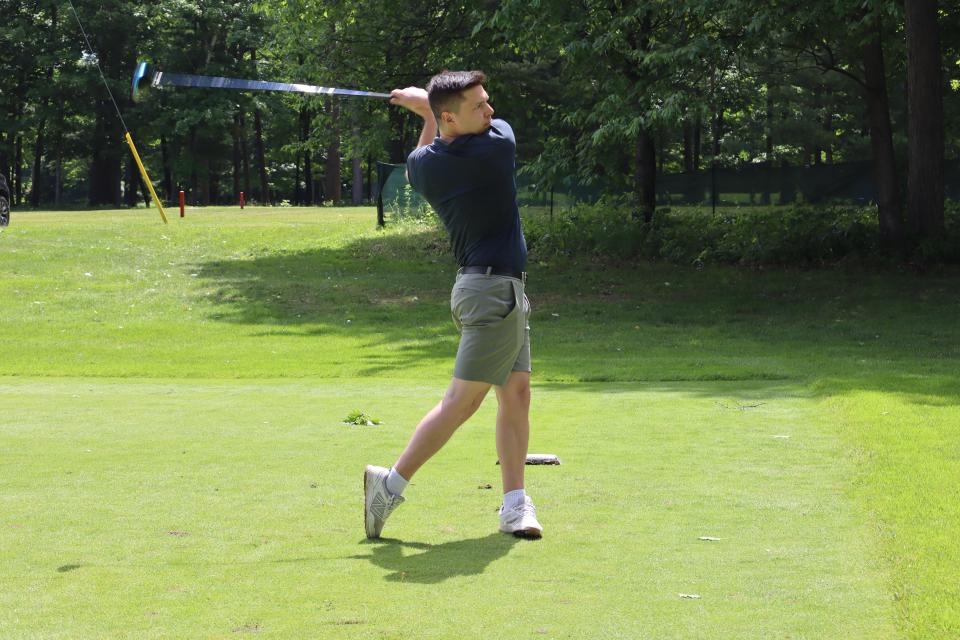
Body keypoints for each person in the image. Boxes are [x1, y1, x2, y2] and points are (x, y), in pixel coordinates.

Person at [364, 70, 542, 540]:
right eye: (478, 106)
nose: (489, 111)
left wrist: (424, 110)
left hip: (492, 289)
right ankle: (391, 483)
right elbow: (491, 129)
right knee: (462, 403)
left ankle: (514, 504)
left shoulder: (424, 166)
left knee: (516, 393)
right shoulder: (494, 147)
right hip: (490, 293)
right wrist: (425, 106)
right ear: (450, 117)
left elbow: (424, 150)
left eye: (487, 102)